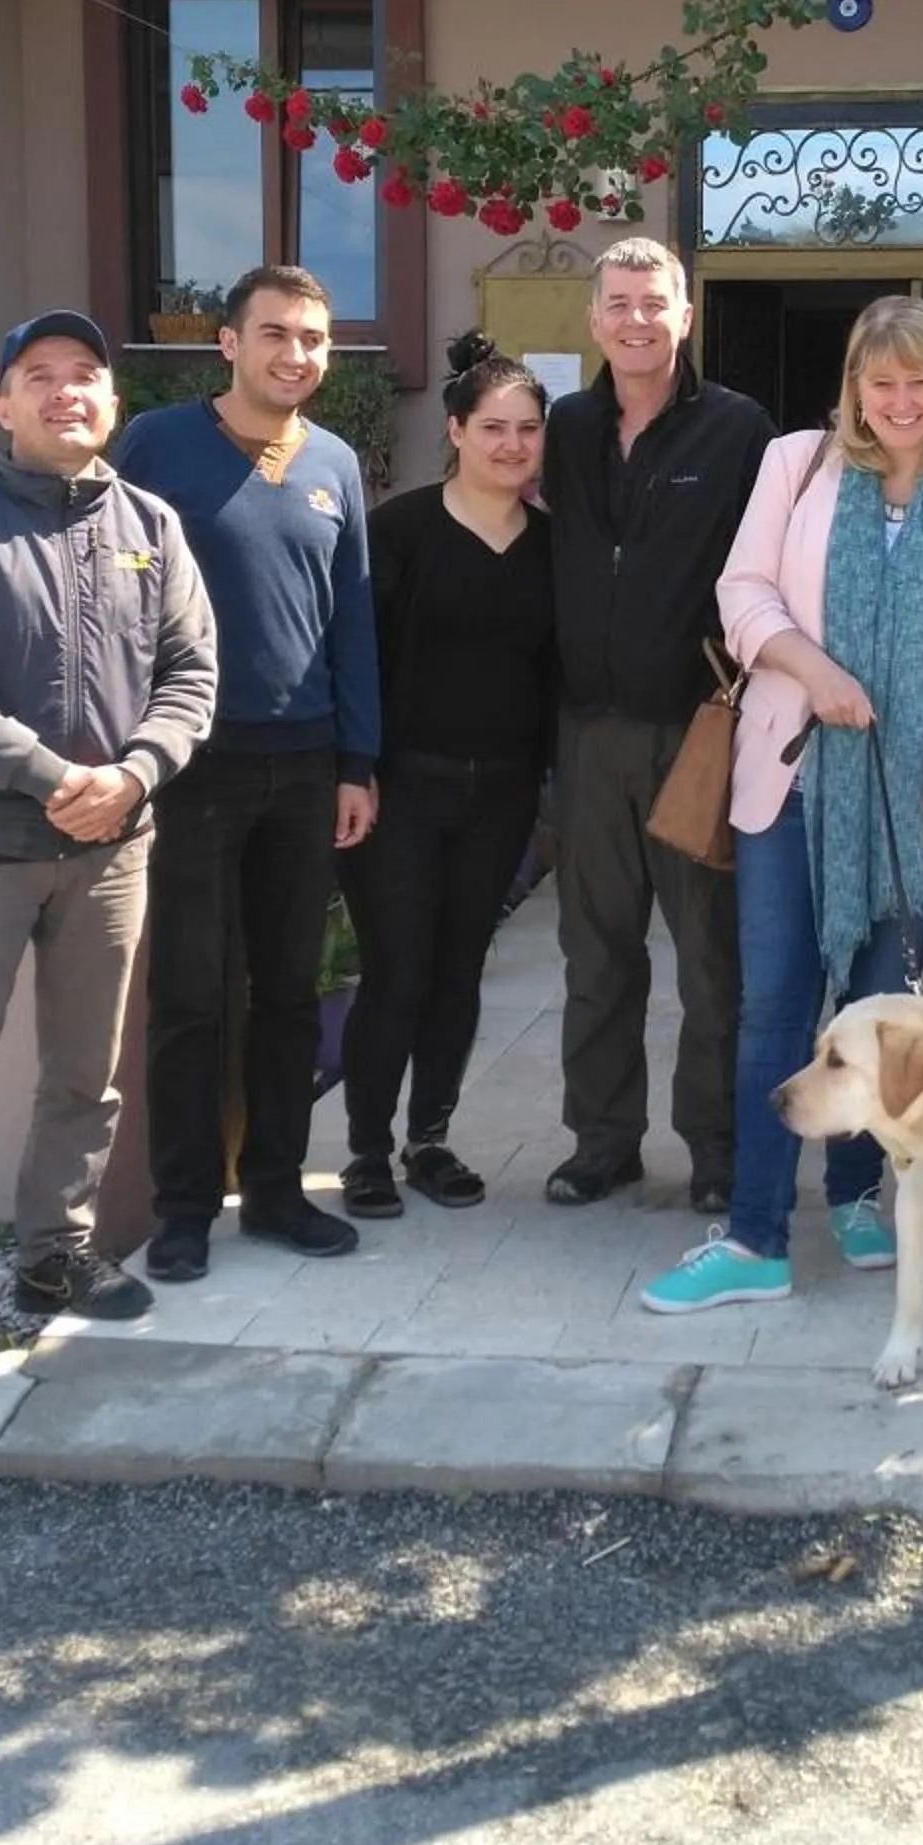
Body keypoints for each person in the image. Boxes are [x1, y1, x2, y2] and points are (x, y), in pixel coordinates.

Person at [641, 295, 923, 1315]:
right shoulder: (797, 464)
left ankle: (862, 1193)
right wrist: (812, 670)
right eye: (883, 381)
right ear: (855, 388)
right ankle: (757, 1238)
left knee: (889, 1014)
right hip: (793, 779)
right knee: (776, 1007)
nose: (902, 401)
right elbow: (744, 596)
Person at [0, 309, 217, 1385]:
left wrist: (130, 774)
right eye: (40, 376)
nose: (66, 391)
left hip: (111, 848)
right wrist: (50, 775)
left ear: (112, 404)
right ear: (3, 404)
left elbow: (191, 675)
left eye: (86, 376)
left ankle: (54, 1257)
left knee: (86, 1074)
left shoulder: (151, 526)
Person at [115, 263, 379, 1276]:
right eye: (275, 335)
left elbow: (351, 618)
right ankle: (185, 1206)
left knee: (289, 993)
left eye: (312, 339)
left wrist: (359, 761)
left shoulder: (337, 466)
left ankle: (274, 1190)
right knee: (189, 994)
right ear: (230, 344)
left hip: (306, 767)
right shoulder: (157, 448)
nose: (296, 355)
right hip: (189, 764)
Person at [541, 237, 773, 1214]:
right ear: (595, 319)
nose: (638, 320)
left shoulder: (740, 430)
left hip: (699, 735)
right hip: (588, 736)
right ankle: (604, 1143)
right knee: (596, 954)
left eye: (656, 303)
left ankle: (715, 1152)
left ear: (686, 317)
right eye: (620, 303)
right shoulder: (567, 427)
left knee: (712, 960)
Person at [335, 334, 557, 1218]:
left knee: (460, 969)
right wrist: (353, 772)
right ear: (457, 431)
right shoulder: (397, 532)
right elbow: (355, 663)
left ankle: (430, 1138)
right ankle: (363, 1151)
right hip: (401, 791)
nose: (512, 445)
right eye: (494, 427)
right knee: (397, 969)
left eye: (529, 430)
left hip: (500, 792)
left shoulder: (552, 546)